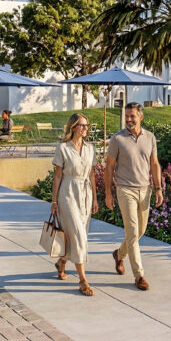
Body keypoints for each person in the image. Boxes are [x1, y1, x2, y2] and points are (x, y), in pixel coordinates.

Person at [103, 102, 162, 292]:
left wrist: (159, 188)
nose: (128, 119)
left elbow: (154, 164)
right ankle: (139, 275)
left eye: (132, 116)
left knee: (140, 231)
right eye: (126, 116)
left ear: (140, 117)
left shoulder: (150, 138)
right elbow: (109, 167)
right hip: (125, 189)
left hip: (145, 190)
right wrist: (108, 193)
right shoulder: (117, 139)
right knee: (133, 231)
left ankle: (119, 255)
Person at [48, 113, 98, 296]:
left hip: (85, 194)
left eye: (87, 125)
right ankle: (83, 279)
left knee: (77, 235)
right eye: (82, 125)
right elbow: (58, 176)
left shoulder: (90, 149)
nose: (85, 128)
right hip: (67, 192)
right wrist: (54, 201)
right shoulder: (62, 148)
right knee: (78, 234)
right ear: (73, 127)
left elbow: (92, 174)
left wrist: (96, 198)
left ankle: (61, 262)